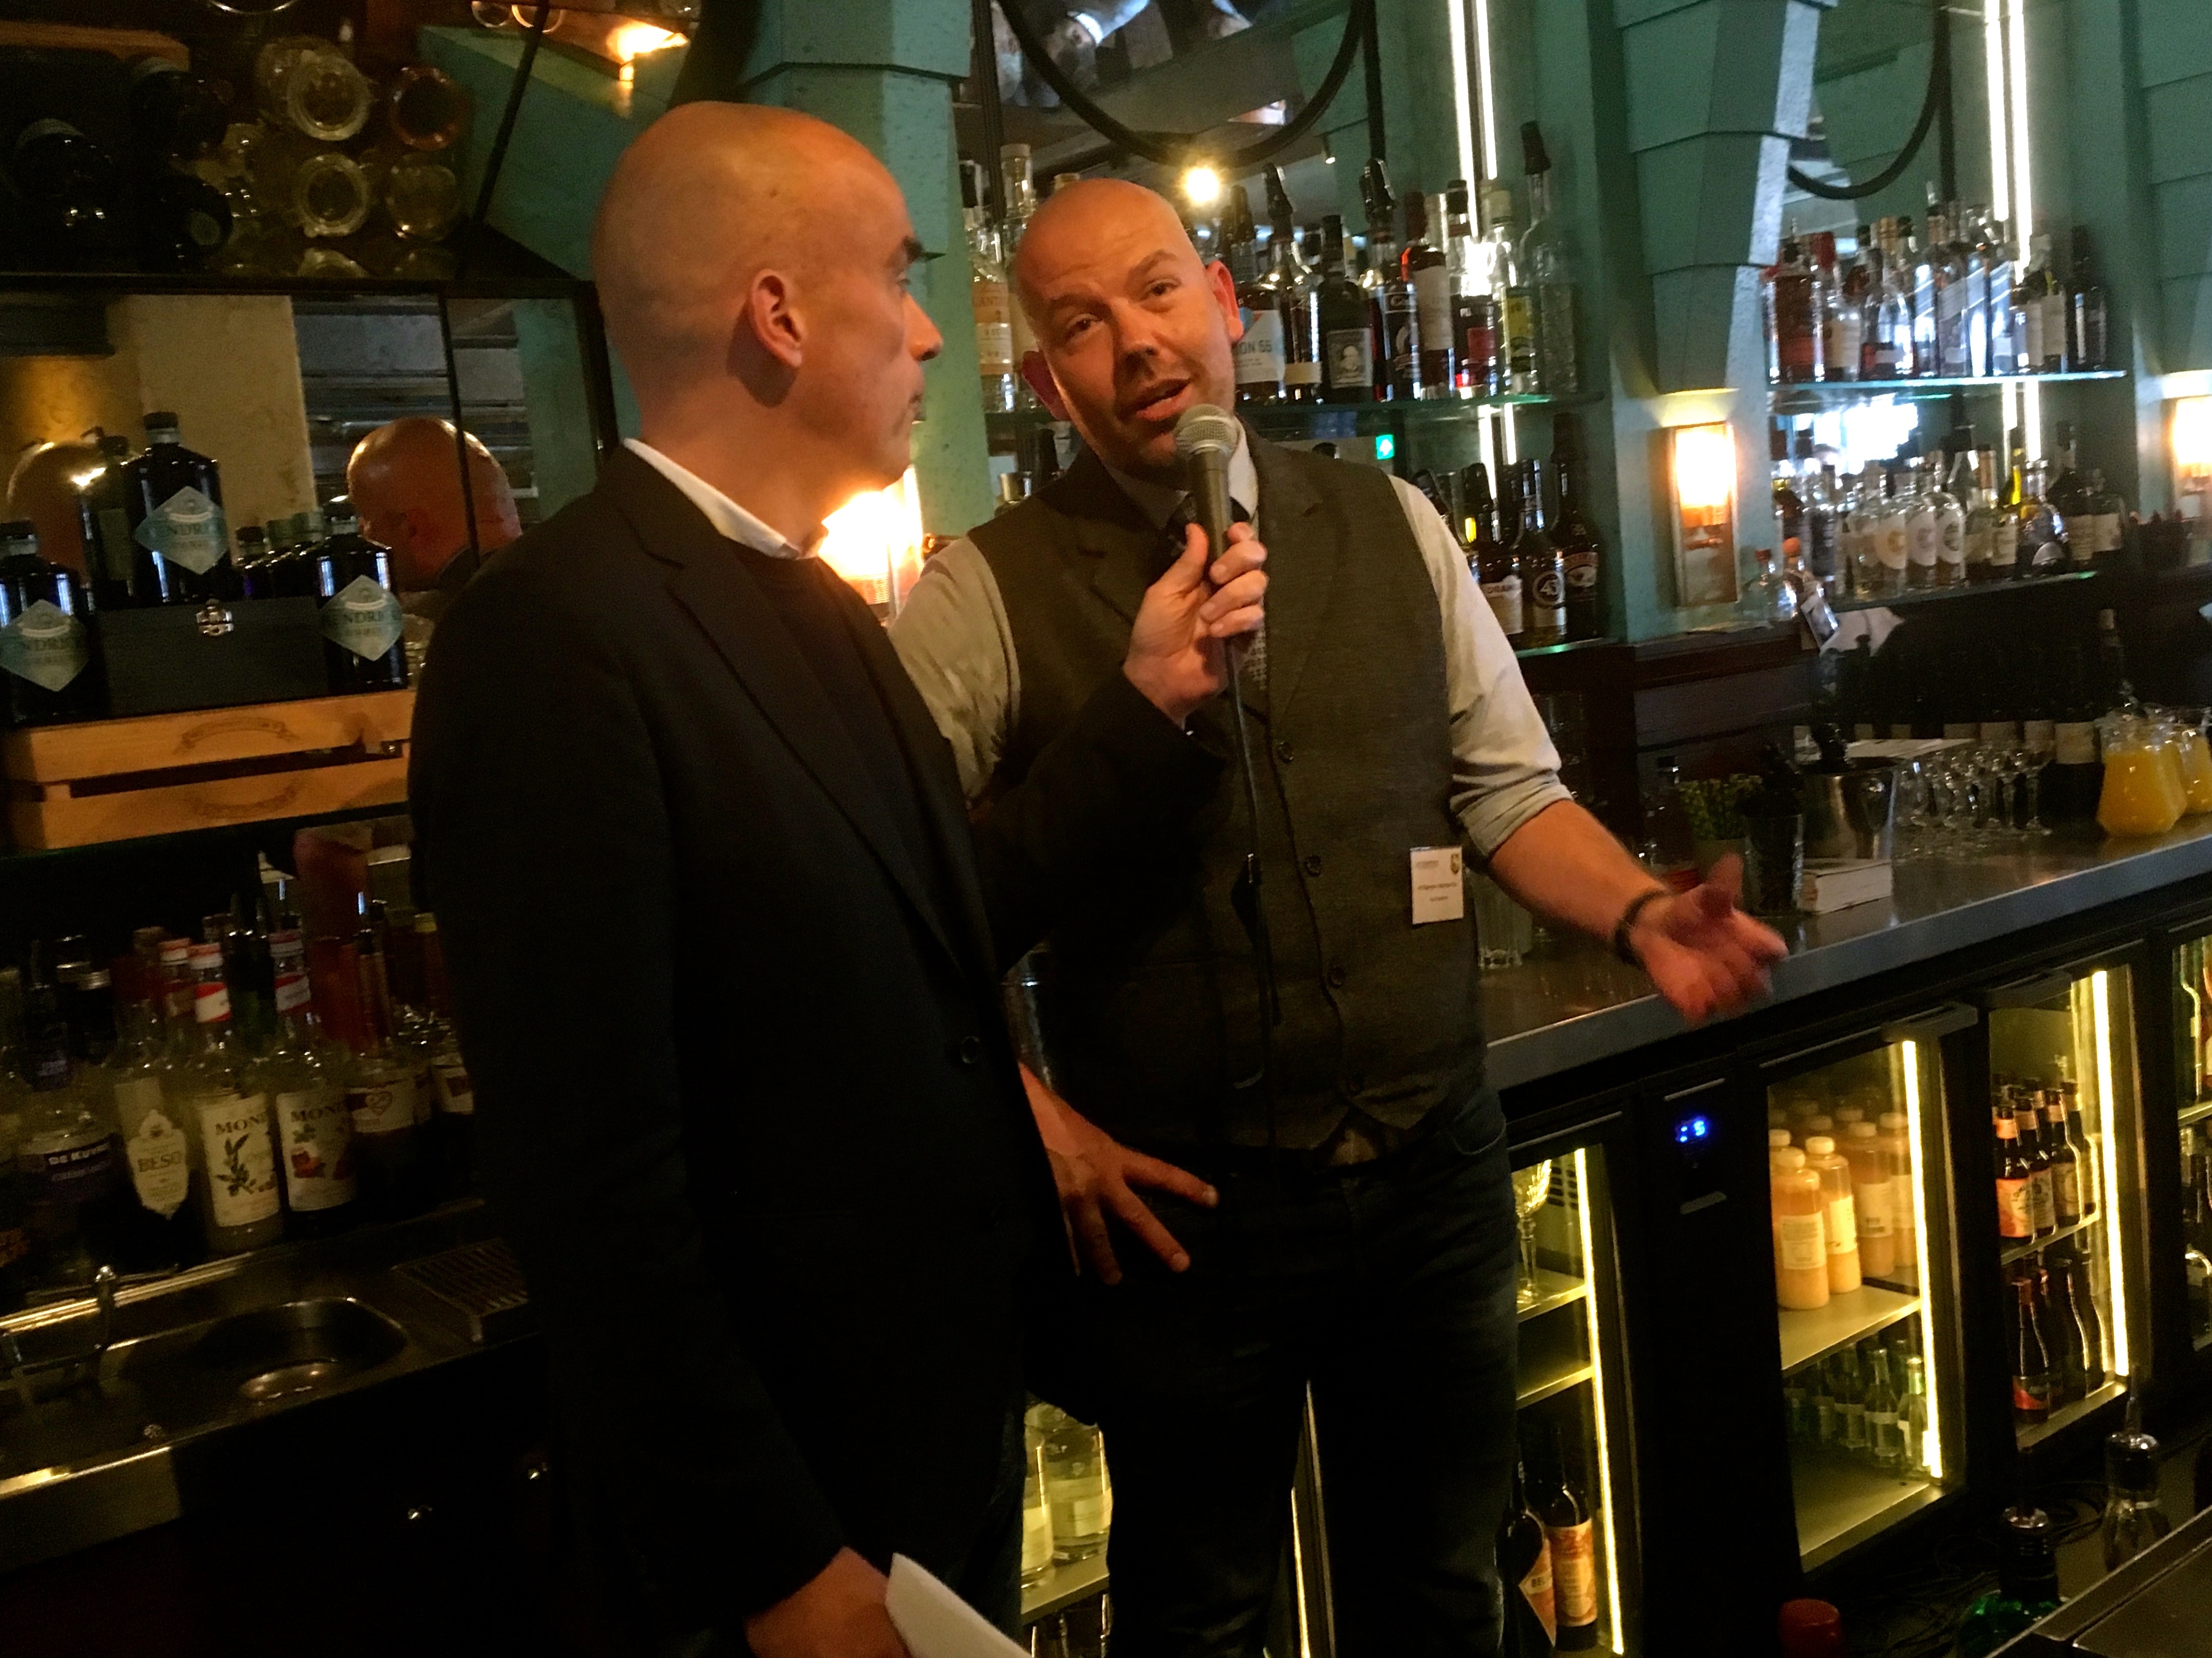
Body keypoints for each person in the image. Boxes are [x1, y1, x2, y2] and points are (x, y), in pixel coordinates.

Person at [408, 110, 1266, 1658]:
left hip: (929, 1444)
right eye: (900, 274)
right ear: (781, 315)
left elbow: (936, 924)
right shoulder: (551, 634)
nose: (931, 330)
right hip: (788, 1515)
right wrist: (779, 1559)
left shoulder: (812, 594)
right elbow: (589, 1181)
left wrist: (1143, 710)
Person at [888, 178, 1784, 1657]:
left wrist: (1640, 910)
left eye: (1158, 289)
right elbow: (889, 906)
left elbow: (1508, 791)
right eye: (1081, 324)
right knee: (1199, 1612)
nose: (1136, 342)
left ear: (1223, 304)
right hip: (1184, 1217)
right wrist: (1029, 1115)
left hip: (1430, 1169)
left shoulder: (1392, 521)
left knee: (1442, 1586)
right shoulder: (983, 591)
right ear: (1045, 381)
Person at [345, 416, 522, 621]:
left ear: (411, 530)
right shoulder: (550, 571)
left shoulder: (433, 624)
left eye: (368, 524)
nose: (366, 539)